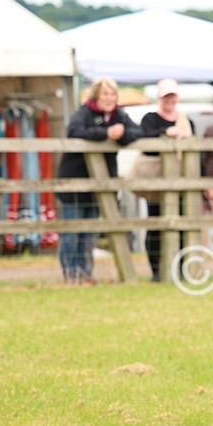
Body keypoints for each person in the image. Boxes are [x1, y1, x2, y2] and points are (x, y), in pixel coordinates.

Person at [55, 77, 139, 284]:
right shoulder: (84, 113)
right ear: (96, 96)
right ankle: (71, 276)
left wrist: (121, 134)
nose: (109, 98)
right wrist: (104, 133)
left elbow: (138, 132)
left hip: (101, 186)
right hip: (74, 183)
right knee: (72, 232)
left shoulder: (119, 115)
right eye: (105, 94)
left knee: (89, 234)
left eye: (112, 94)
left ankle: (85, 274)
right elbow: (74, 131)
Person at [139, 78, 194, 282]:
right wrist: (164, 134)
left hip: (181, 181)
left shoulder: (186, 120)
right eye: (165, 96)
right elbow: (144, 142)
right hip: (156, 181)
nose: (169, 100)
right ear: (159, 98)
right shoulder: (150, 119)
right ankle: (156, 271)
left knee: (181, 226)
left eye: (172, 96)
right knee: (155, 226)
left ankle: (179, 268)